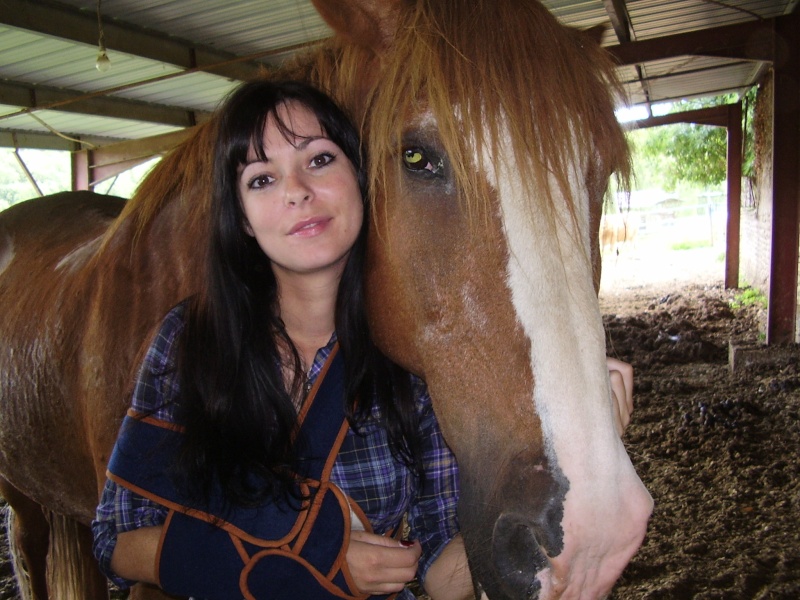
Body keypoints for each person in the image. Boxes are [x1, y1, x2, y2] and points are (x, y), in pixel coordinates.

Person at [92, 79, 635, 600]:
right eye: (262, 179)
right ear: (244, 220)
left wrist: (575, 448)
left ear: (362, 176)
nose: (298, 192)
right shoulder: (190, 340)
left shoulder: (410, 359)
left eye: (320, 160)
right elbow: (116, 541)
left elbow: (443, 578)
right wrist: (314, 557)